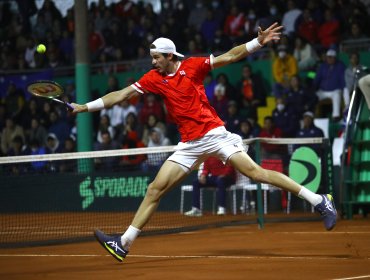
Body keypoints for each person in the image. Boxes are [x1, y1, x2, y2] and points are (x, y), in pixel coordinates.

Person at [71, 23, 337, 263]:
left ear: (170, 56)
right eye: (152, 58)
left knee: (256, 173)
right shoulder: (153, 79)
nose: (153, 63)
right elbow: (122, 94)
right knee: (155, 189)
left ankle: (319, 201)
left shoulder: (193, 66)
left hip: (215, 135)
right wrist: (85, 107)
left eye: (156, 58)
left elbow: (230, 56)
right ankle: (124, 243)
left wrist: (257, 42)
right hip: (189, 145)